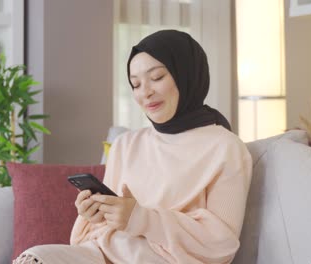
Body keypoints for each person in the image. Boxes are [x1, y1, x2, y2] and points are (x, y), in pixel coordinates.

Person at [13, 30, 252, 264]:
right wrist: (91, 216)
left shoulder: (225, 147)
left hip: (165, 259)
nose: (145, 93)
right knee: (35, 257)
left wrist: (141, 218)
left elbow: (222, 244)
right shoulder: (125, 144)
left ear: (187, 74)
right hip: (103, 253)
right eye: (135, 84)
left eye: (157, 78)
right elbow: (95, 236)